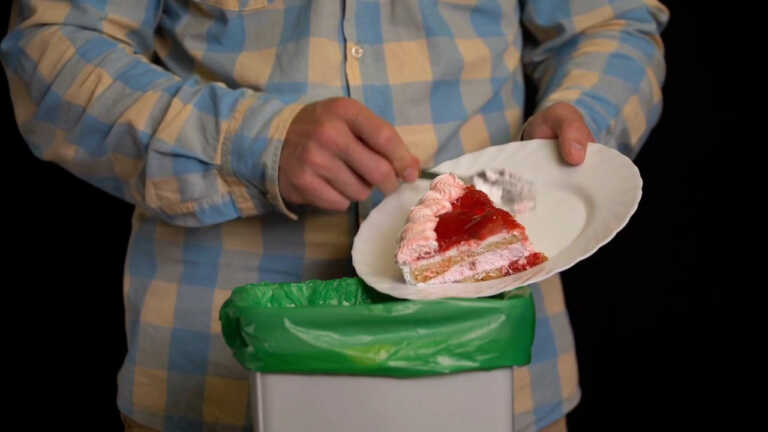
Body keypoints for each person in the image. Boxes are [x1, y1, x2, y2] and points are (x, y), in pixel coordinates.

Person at [0, 0, 668, 430]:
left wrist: (584, 120)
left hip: (495, 369)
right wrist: (253, 142)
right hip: (210, 379)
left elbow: (609, 24)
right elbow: (52, 48)